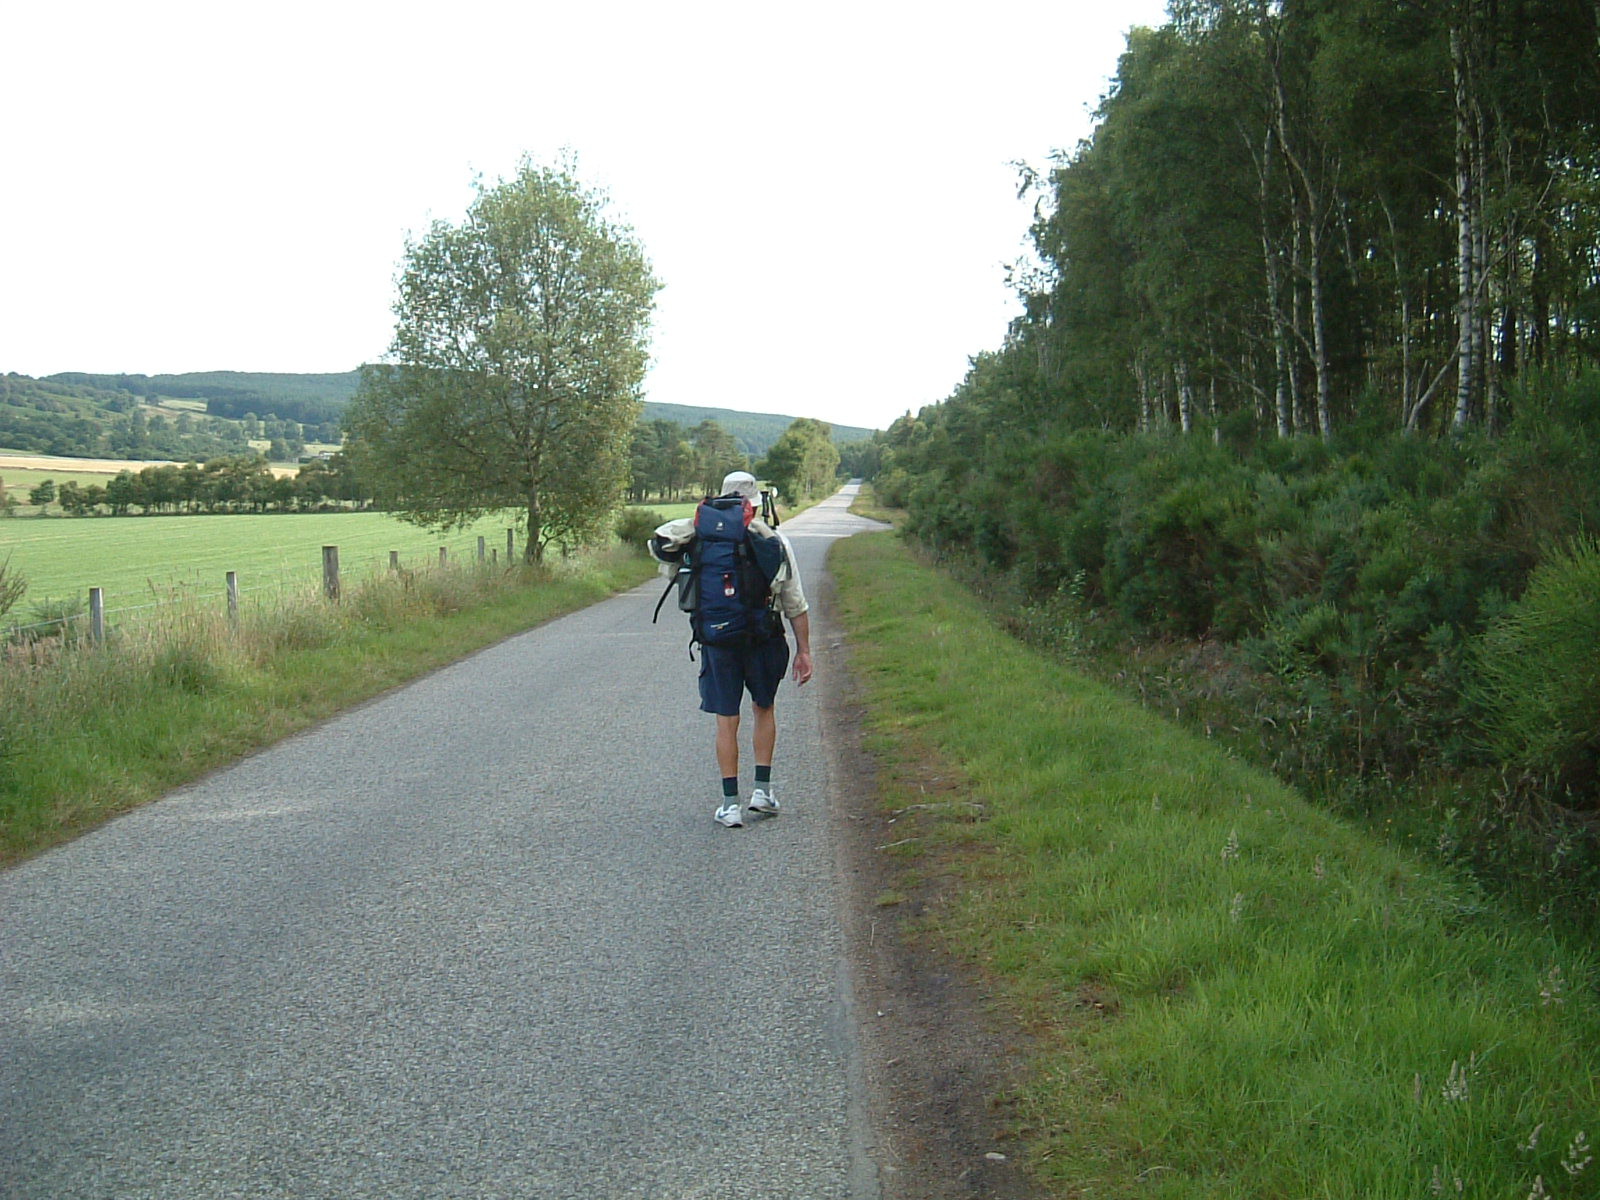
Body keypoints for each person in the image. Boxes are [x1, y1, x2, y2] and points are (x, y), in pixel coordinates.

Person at [651, 471, 813, 827]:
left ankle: (729, 805)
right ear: (755, 503)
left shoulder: (700, 539)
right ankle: (763, 791)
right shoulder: (775, 541)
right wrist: (804, 650)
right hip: (763, 638)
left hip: (717, 640)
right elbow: (795, 602)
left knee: (727, 720)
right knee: (764, 708)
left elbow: (667, 564)